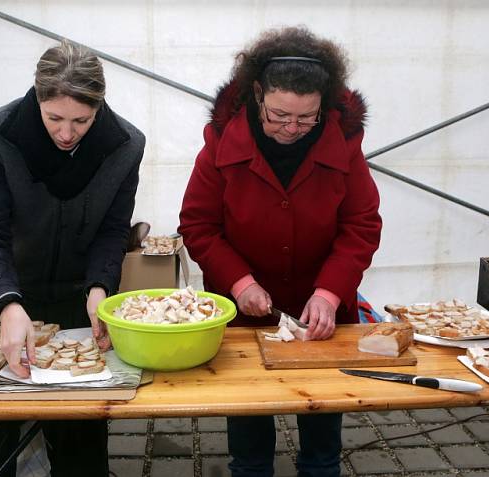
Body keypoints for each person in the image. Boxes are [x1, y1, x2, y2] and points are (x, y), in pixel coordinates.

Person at [179, 26, 381, 476]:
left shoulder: (344, 146)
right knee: (250, 443)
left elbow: (361, 225)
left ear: (324, 106)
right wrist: (239, 281)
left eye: (306, 118)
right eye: (278, 115)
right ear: (257, 93)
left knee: (323, 445)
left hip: (323, 314)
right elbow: (198, 225)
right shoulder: (220, 145)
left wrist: (330, 292)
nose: (291, 128)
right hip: (247, 312)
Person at [0, 40, 145, 476]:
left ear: (98, 108)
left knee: (81, 435)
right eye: (54, 119)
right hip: (13, 295)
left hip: (79, 299)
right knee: (11, 431)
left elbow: (111, 231)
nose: (67, 133)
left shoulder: (125, 145)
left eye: (81, 121)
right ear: (38, 99)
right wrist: (5, 304)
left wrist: (99, 289)